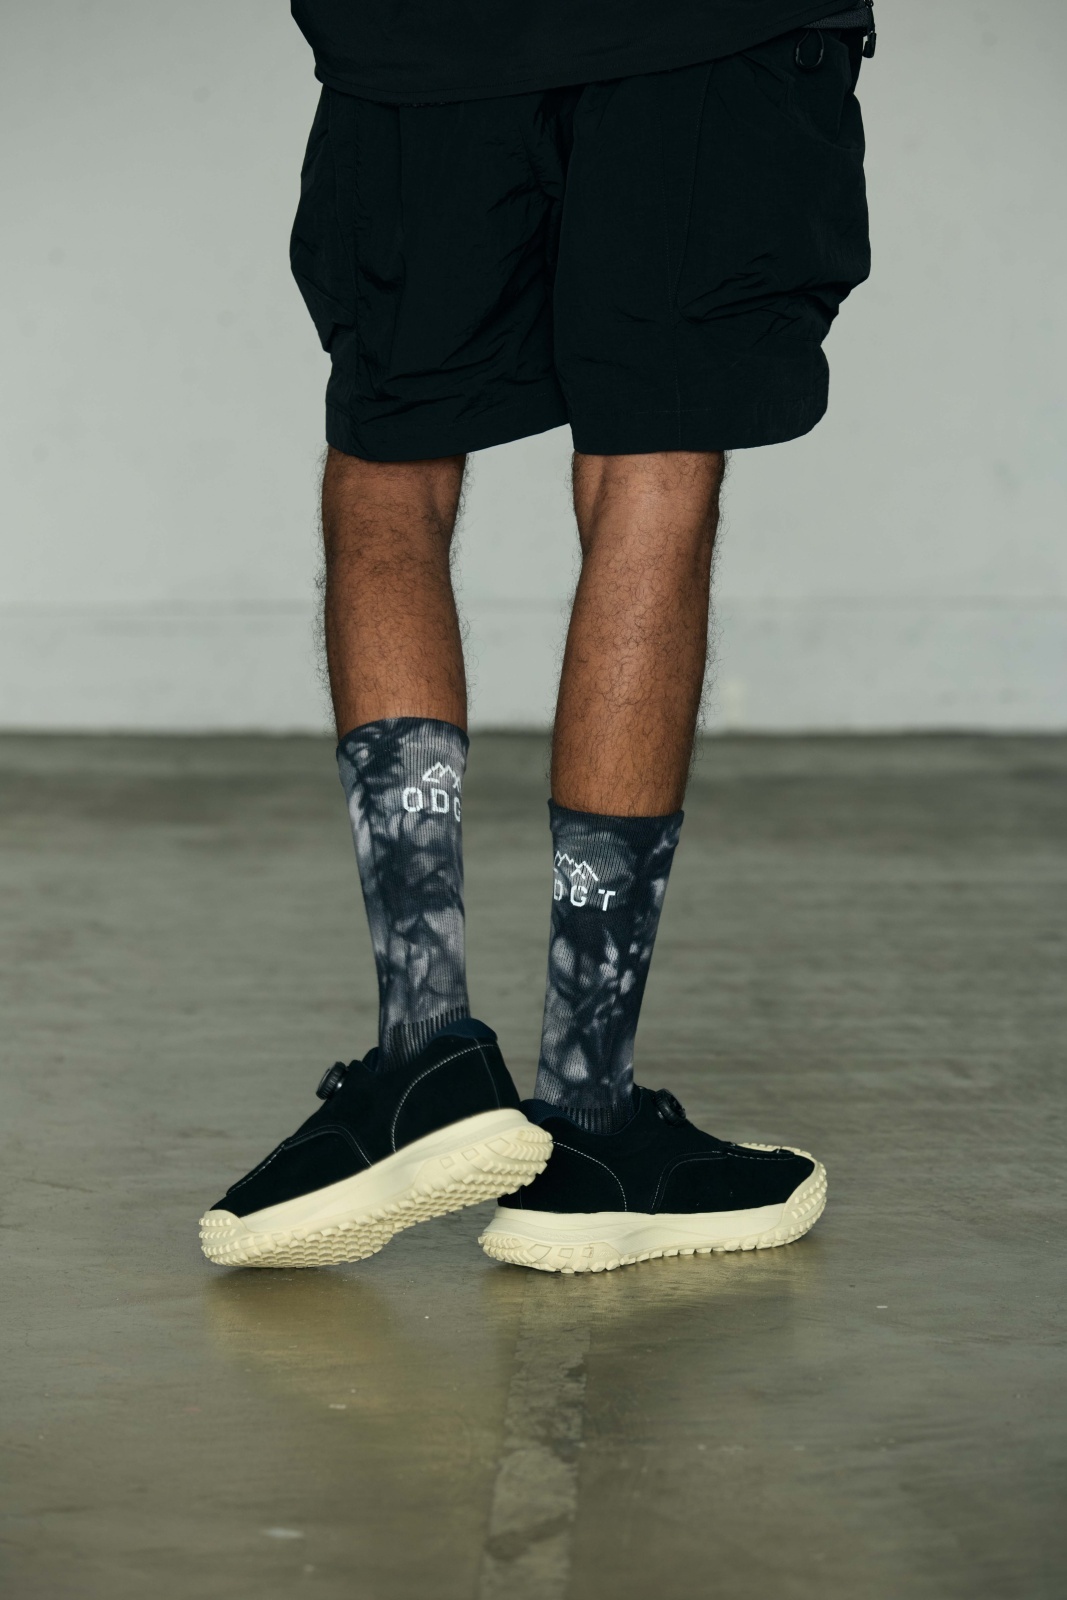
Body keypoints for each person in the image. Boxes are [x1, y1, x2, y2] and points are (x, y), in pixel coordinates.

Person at [198, 0, 874, 1273]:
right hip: (707, 32)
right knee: (650, 469)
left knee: (390, 459)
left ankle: (423, 1055)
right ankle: (586, 1117)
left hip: (425, 41)